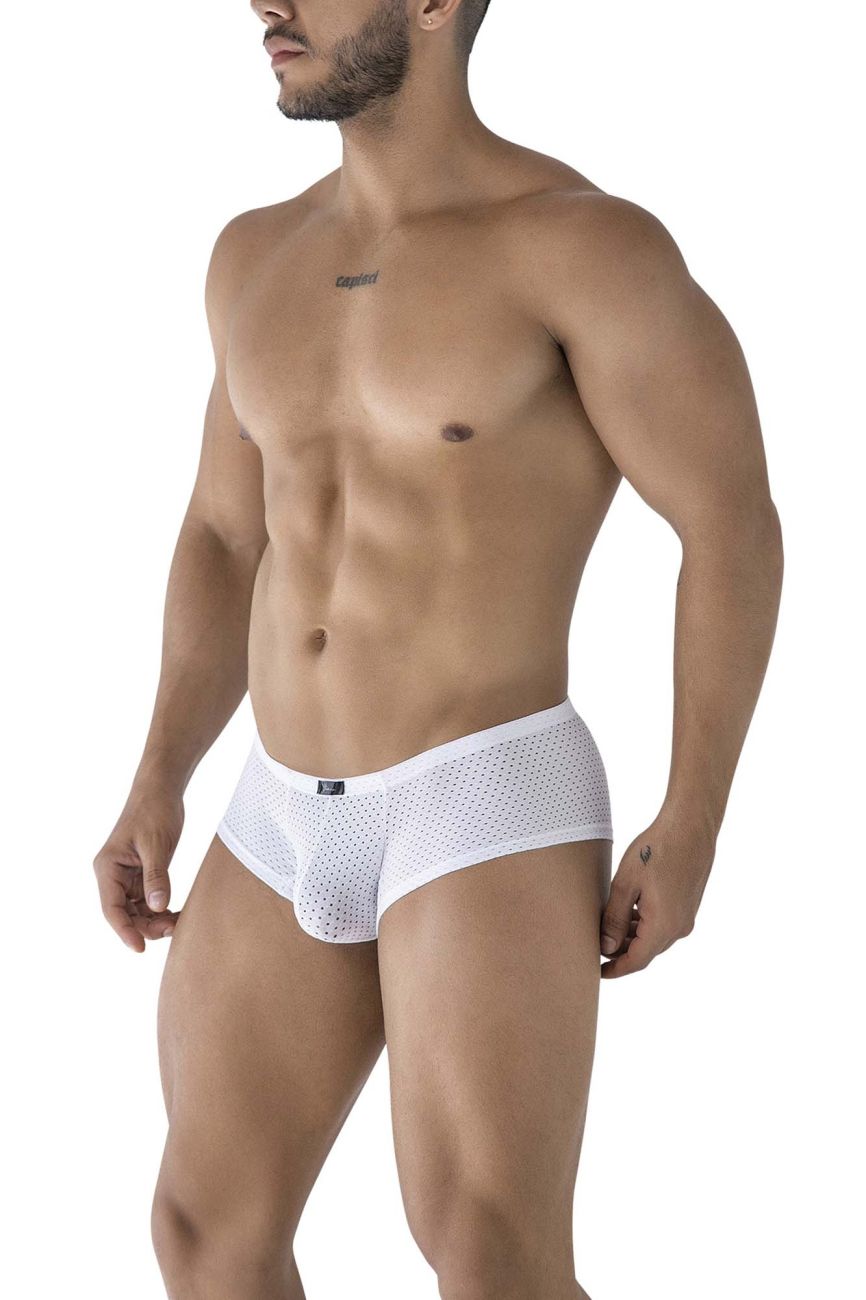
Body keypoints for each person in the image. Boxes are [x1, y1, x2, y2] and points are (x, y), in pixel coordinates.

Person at [91, 2, 784, 1296]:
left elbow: (729, 526)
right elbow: (226, 536)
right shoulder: (254, 255)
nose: (265, 2)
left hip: (480, 790)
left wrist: (690, 819)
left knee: (487, 1252)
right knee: (202, 1229)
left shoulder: (581, 247)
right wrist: (157, 776)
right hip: (276, 802)